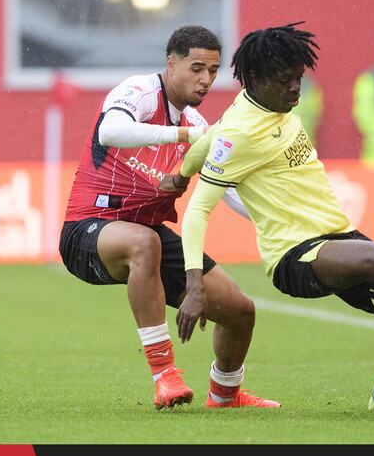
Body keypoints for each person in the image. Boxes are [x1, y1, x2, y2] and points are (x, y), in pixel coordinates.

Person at [162, 22, 374, 413]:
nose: (295, 88)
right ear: (258, 79)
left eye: (298, 78)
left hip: (338, 235)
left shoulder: (260, 106)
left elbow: (207, 139)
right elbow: (198, 210)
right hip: (295, 255)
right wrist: (195, 286)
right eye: (285, 81)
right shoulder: (242, 132)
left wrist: (178, 174)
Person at [58, 25, 280, 410]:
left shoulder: (198, 127)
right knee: (142, 243)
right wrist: (180, 135)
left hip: (150, 236)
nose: (206, 79)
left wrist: (283, 223)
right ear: (171, 63)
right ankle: (165, 376)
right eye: (197, 68)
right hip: (87, 229)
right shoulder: (139, 92)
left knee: (240, 311)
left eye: (212, 70)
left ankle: (225, 395)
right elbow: (110, 131)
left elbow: (227, 191)